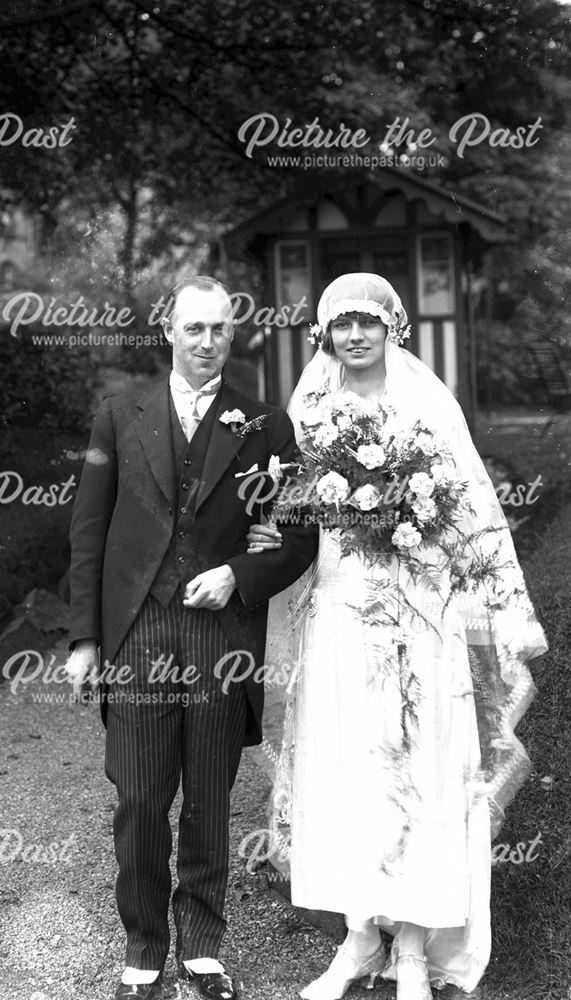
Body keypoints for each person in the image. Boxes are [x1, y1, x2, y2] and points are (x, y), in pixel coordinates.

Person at [247, 273, 547, 1000]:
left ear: (391, 329)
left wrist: (484, 606)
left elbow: (468, 515)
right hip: (342, 618)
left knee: (420, 772)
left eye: (367, 325)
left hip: (421, 618)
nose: (354, 337)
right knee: (345, 772)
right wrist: (265, 535)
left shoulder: (424, 405)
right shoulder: (310, 409)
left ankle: (412, 949)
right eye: (340, 326)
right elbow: (292, 515)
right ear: (323, 334)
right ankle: (355, 942)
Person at [66, 275, 318, 1000]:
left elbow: (299, 533)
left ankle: (202, 946)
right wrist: (85, 637)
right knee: (141, 796)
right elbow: (88, 529)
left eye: (218, 330)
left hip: (218, 632)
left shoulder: (265, 425)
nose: (205, 342)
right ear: (168, 331)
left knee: (208, 795)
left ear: (231, 336)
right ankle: (143, 948)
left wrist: (239, 574)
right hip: (140, 629)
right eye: (193, 329)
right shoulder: (120, 414)